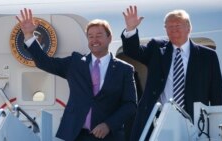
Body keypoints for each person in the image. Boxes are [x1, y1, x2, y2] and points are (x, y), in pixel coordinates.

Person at [16, 8, 137, 141]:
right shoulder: (75, 63)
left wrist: (108, 125)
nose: (94, 40)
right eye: (90, 36)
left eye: (99, 35)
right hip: (76, 135)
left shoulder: (124, 69)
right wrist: (28, 35)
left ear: (109, 38)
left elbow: (130, 105)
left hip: (108, 136)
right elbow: (45, 63)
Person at [121, 6, 222, 141]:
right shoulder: (157, 48)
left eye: (177, 25)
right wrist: (131, 29)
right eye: (168, 27)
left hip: (195, 122)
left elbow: (217, 94)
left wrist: (219, 129)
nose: (173, 30)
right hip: (159, 120)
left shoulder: (207, 56)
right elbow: (132, 51)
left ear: (188, 27)